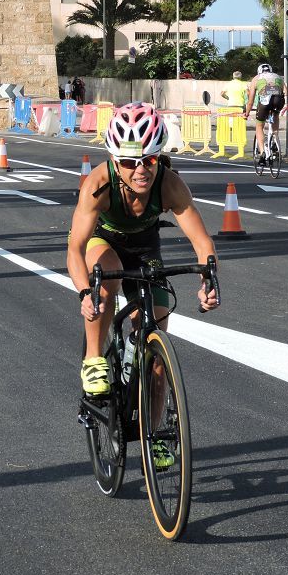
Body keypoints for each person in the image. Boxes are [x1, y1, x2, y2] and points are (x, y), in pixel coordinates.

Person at [67, 103, 219, 464]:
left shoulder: (169, 184)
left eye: (149, 161)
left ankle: (156, 434)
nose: (140, 170)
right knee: (108, 278)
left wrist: (208, 281)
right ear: (114, 160)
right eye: (129, 163)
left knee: (156, 343)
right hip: (103, 243)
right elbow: (73, 249)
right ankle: (93, 359)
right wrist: (84, 292)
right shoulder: (98, 185)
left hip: (146, 248)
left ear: (159, 158)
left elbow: (202, 243)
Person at [244, 63, 287, 161]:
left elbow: (250, 101)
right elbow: (287, 92)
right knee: (275, 115)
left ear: (259, 71)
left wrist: (246, 113)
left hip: (264, 102)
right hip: (278, 101)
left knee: (259, 126)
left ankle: (262, 152)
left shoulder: (256, 78)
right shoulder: (278, 77)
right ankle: (275, 139)